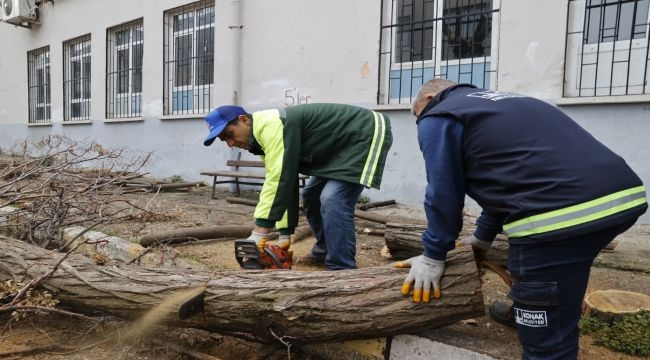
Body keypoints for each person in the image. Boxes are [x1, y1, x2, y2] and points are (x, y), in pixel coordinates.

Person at [398, 79, 647, 359]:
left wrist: (433, 256)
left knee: (546, 338)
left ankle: (544, 326)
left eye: (418, 116)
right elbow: (510, 180)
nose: (421, 123)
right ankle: (540, 308)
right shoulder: (508, 102)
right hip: (624, 197)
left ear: (430, 98)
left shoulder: (439, 115)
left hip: (559, 213)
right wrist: (482, 238)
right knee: (561, 272)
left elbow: (443, 192)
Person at [203, 103, 392, 270]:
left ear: (243, 120)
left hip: (364, 133)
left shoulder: (273, 126)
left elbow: (279, 179)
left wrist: (260, 231)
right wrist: (285, 233)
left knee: (333, 198)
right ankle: (324, 251)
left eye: (229, 135)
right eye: (224, 140)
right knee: (311, 196)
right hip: (335, 146)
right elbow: (286, 180)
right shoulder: (259, 139)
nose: (230, 143)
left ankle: (341, 266)